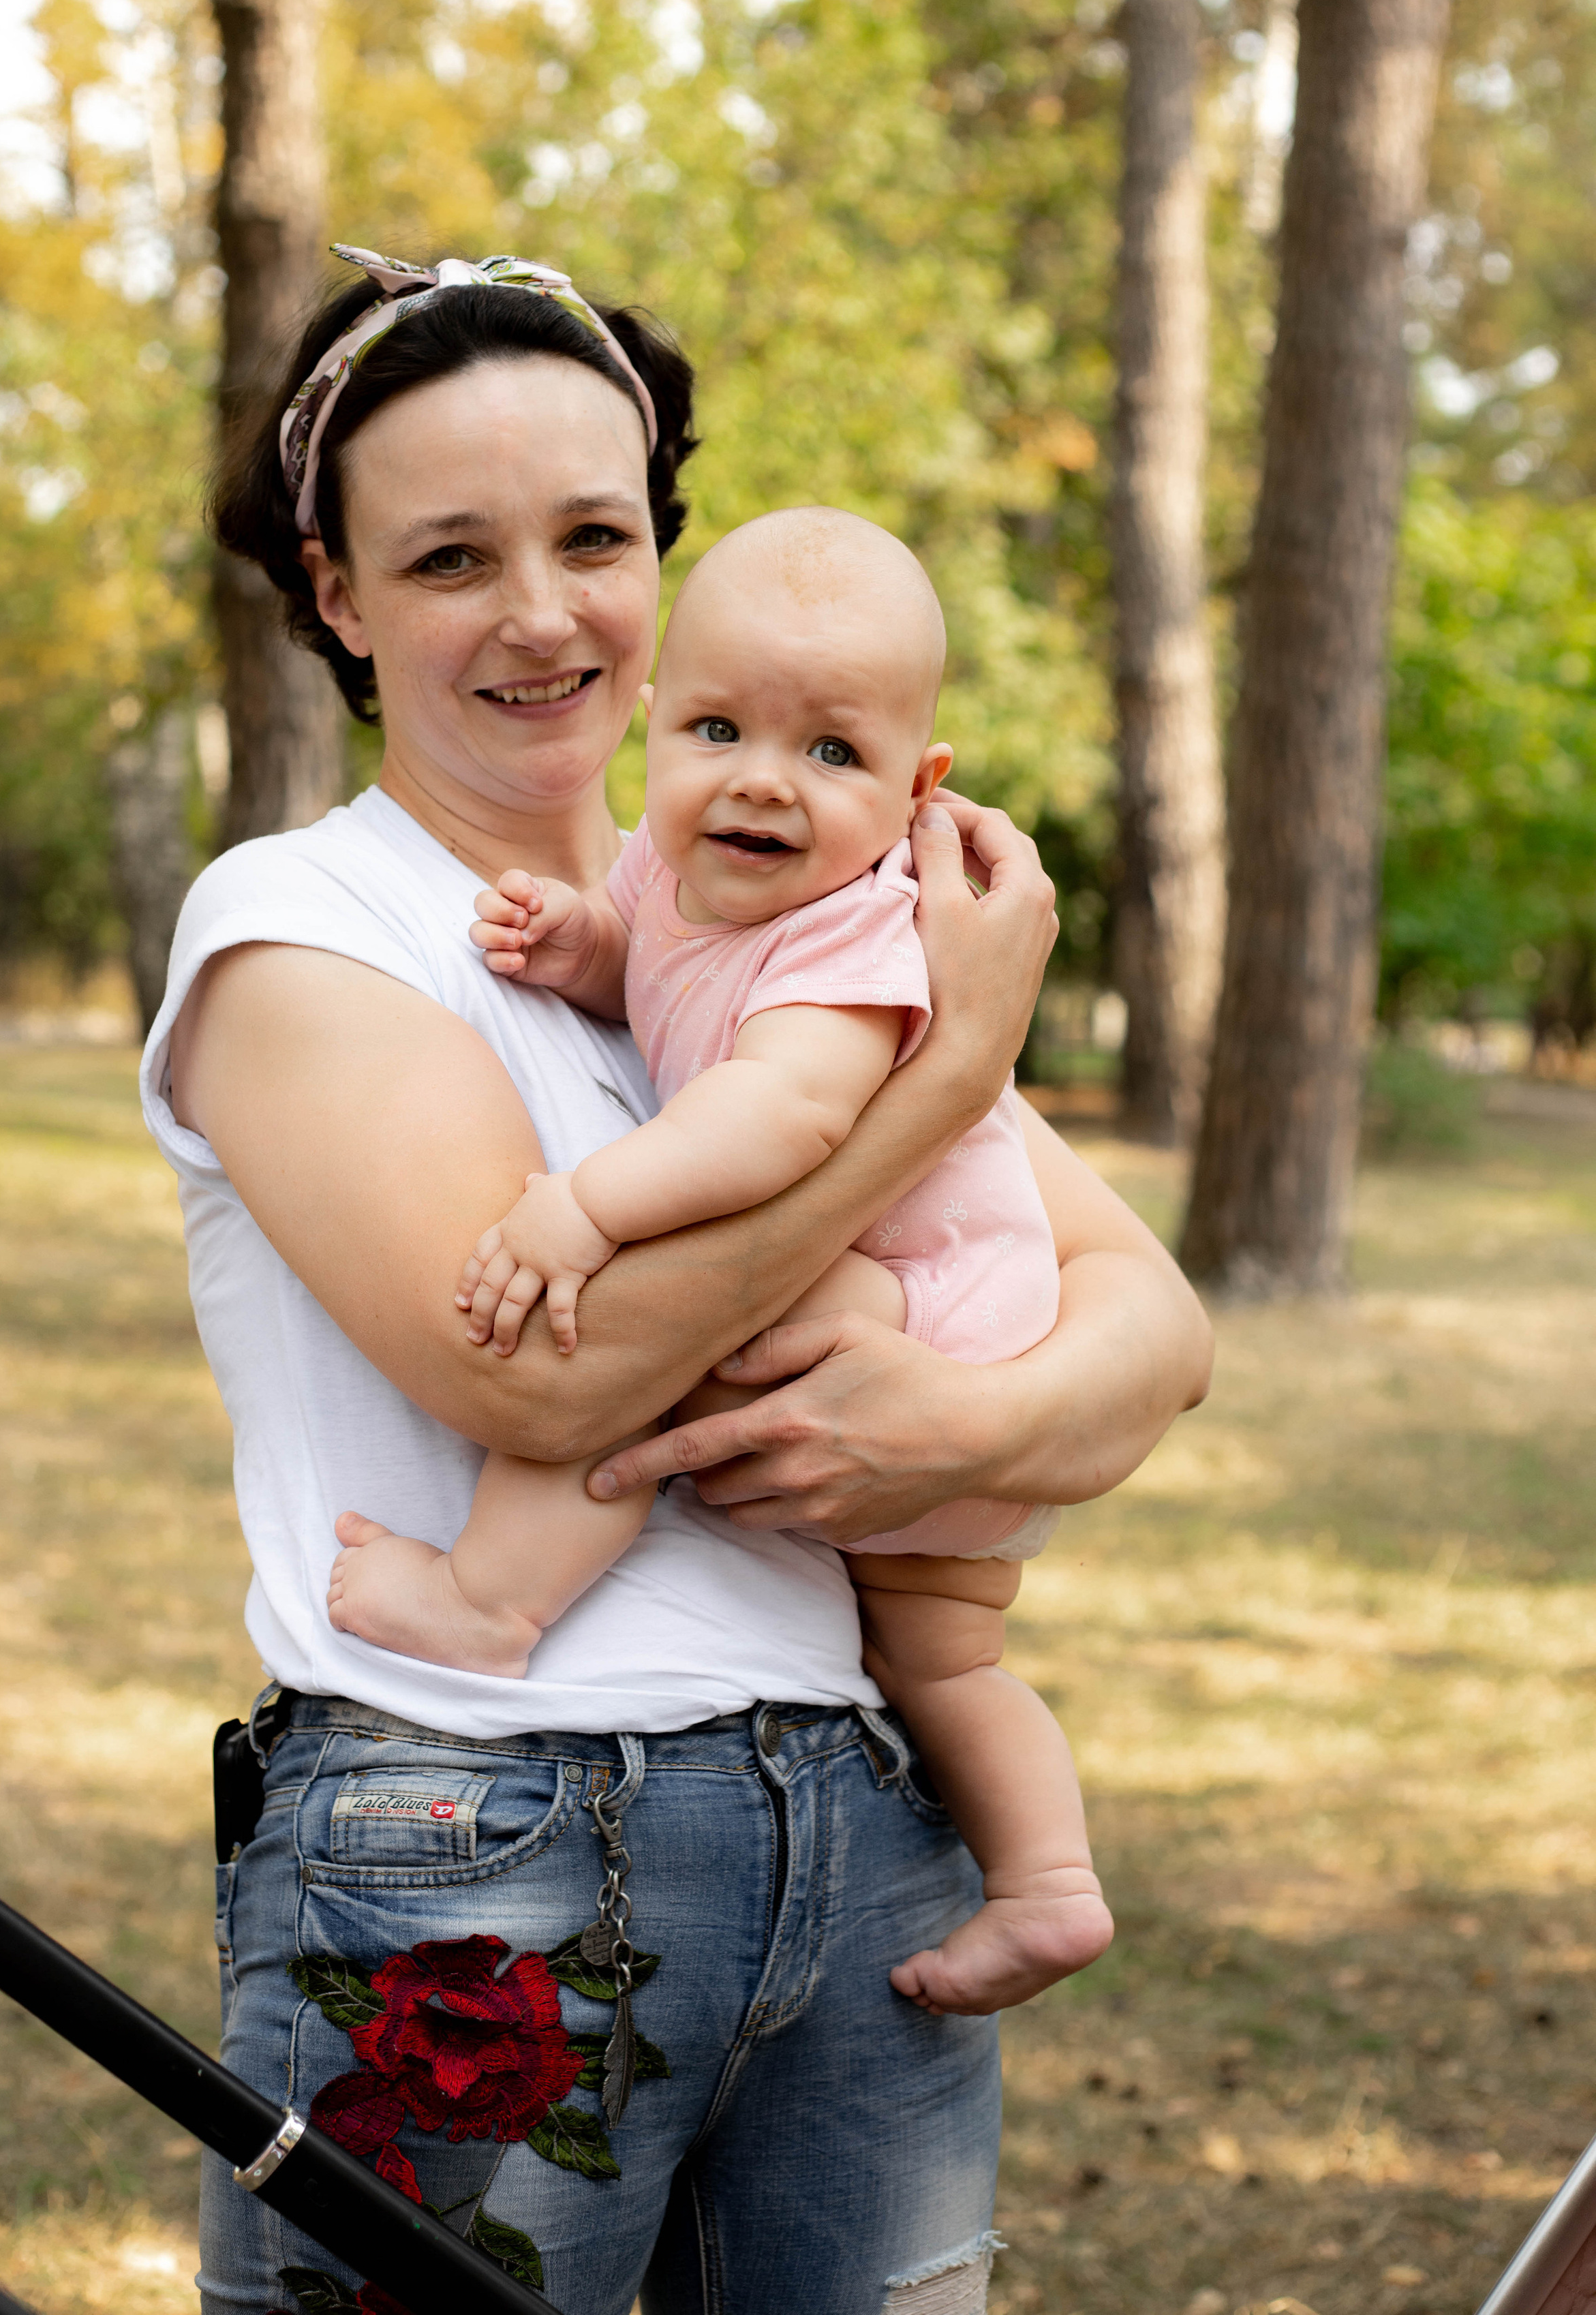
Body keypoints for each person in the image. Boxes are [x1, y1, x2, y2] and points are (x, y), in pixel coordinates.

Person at [148, 243, 1213, 2315]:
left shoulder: (765, 914)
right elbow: (549, 1386)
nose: (542, 613)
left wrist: (963, 1425)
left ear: (664, 561)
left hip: (864, 1825)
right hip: (483, 1843)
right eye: (451, 556)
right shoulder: (298, 929)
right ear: (340, 598)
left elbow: (1158, 1335)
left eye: (594, 539)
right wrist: (950, 1078)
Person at [326, 504, 1112, 2024]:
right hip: (938, 1330)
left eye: (831, 754)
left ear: (913, 794)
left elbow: (773, 1114)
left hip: (921, 1304)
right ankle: (1047, 1881)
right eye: (715, 728)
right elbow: (664, 971)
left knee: (651, 1343)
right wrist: (583, 949)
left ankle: (489, 1600)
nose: (760, 779)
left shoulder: (852, 942)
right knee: (944, 1660)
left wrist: (588, 1209)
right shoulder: (670, 881)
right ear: (651, 727)